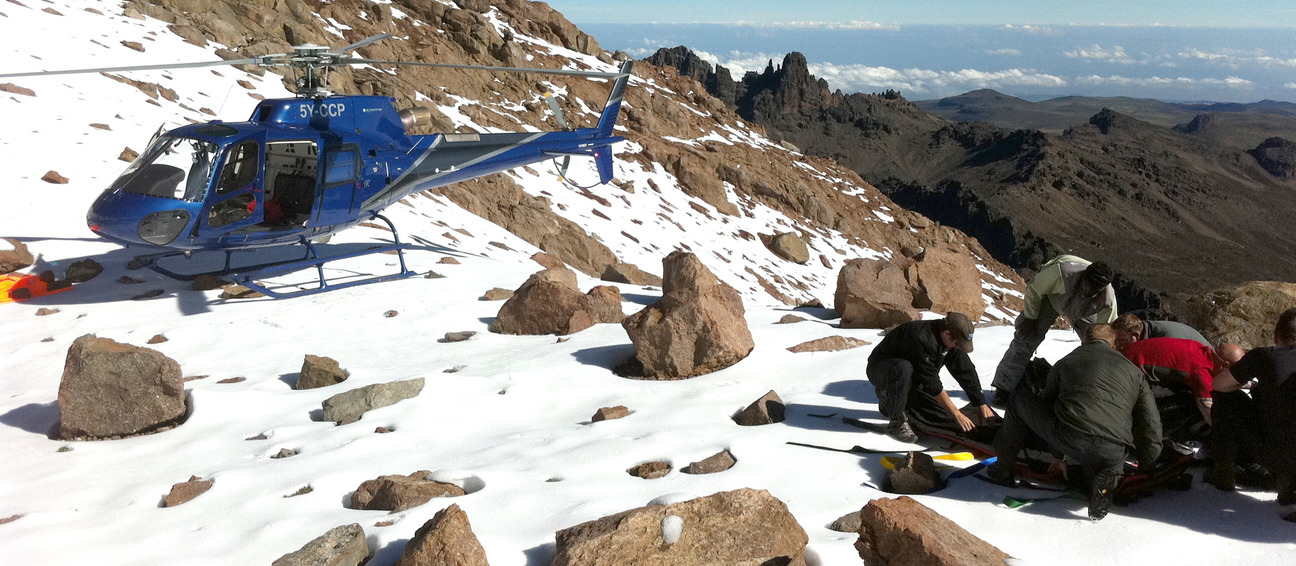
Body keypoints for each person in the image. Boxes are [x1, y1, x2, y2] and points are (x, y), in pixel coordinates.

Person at [988, 324, 1162, 520]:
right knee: (1103, 463)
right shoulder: (1135, 373)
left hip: (1070, 435)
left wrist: (1058, 456)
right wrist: (1149, 463)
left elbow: (1050, 406)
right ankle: (1108, 476)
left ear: (1084, 341)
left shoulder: (1067, 362)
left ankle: (1003, 470)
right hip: (1114, 449)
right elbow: (1150, 421)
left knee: (1017, 400)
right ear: (1113, 347)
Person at [991, 255, 1118, 406]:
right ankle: (1004, 387)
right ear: (1085, 275)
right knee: (1026, 338)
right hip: (1053, 298)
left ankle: (1086, 394)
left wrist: (1102, 348)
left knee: (1096, 348)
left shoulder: (1108, 298)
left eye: (1096, 288)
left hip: (1084, 310)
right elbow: (1035, 291)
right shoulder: (1063, 272)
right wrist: (1031, 318)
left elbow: (1107, 330)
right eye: (1089, 284)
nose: (1091, 290)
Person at [1211, 307, 1296, 513]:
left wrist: (1245, 382)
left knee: (1226, 398)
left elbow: (1219, 385)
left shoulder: (1264, 356)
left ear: (1277, 336)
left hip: (1278, 454)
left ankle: (1224, 476)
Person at [866, 312, 996, 443]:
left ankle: (890, 399)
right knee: (903, 369)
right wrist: (955, 413)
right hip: (881, 369)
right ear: (947, 334)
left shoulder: (952, 338)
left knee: (930, 405)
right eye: (957, 344)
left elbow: (966, 371)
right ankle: (896, 422)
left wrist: (980, 402)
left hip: (913, 371)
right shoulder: (922, 339)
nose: (958, 347)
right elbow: (931, 383)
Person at [1121, 337, 1245, 430]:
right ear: (1225, 365)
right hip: (1125, 377)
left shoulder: (1199, 347)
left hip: (1125, 359)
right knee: (1189, 402)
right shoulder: (1201, 373)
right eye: (1233, 373)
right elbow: (1211, 416)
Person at [1111, 313, 1211, 350]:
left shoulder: (1164, 340)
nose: (1118, 346)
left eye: (1120, 341)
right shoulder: (1147, 328)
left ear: (1135, 336)